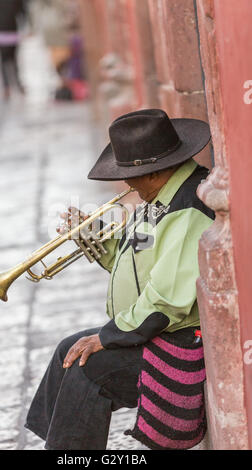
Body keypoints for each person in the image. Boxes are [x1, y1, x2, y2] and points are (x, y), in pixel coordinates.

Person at [25, 109, 215, 450]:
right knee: (67, 350)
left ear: (154, 172)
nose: (126, 183)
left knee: (88, 366)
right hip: (155, 331)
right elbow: (135, 256)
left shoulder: (186, 210)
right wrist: (95, 238)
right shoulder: (158, 201)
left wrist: (109, 337)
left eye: (130, 174)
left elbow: (165, 301)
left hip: (181, 339)